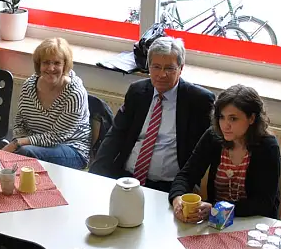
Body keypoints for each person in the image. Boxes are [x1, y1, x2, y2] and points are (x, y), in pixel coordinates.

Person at [90, 37, 215, 193]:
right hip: (127, 177)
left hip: (170, 185)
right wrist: (95, 175)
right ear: (148, 67)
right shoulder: (137, 92)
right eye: (156, 67)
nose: (162, 74)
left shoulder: (199, 100)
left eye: (169, 68)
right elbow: (116, 134)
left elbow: (205, 151)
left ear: (181, 68)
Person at [169, 84, 281, 220]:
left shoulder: (267, 146)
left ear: (251, 118)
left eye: (233, 118)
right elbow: (186, 175)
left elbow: (263, 203)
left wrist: (215, 208)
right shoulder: (213, 136)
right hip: (215, 221)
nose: (225, 125)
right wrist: (177, 199)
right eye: (221, 117)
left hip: (252, 222)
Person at [2, 37, 91, 169]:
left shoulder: (74, 93)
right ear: (39, 64)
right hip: (31, 146)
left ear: (65, 65)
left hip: (72, 149)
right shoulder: (28, 86)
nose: (51, 68)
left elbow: (57, 136)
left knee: (23, 154)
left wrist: (19, 143)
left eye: (57, 63)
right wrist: (19, 142)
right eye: (46, 62)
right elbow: (20, 122)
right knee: (17, 156)